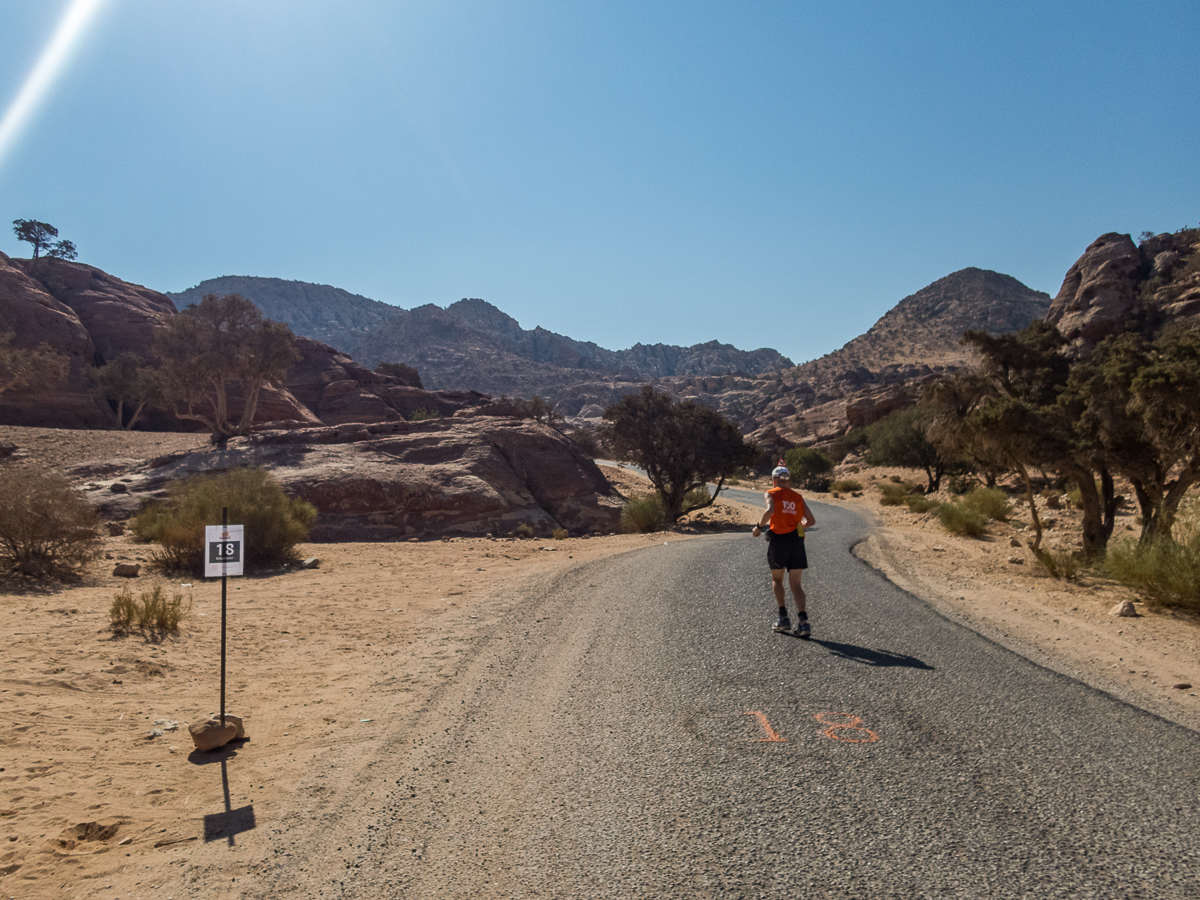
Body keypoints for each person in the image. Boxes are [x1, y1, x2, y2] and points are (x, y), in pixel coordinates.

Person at [751, 465, 817, 637]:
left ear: (774, 480)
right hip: (796, 541)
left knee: (777, 579)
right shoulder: (798, 497)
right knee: (796, 585)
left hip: (779, 541)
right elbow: (811, 520)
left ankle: (783, 618)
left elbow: (770, 511)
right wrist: (799, 526)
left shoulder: (771, 493)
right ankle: (803, 623)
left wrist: (758, 527)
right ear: (789, 480)